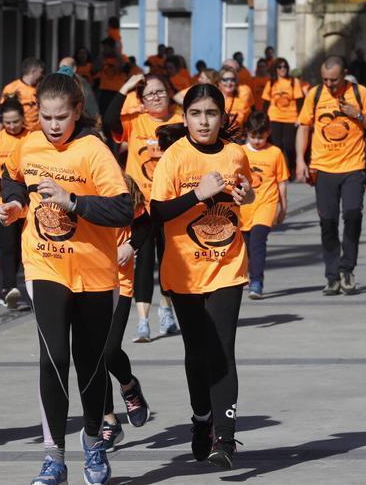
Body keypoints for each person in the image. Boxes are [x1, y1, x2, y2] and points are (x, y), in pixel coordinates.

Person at [0, 73, 133, 485]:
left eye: (62, 117)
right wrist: (14, 204)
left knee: (88, 364)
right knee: (53, 358)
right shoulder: (29, 144)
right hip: (45, 265)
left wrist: (73, 201)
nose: (53, 126)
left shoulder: (93, 150)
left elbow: (123, 209)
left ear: (77, 111)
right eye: (47, 117)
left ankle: (92, 442)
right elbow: (12, 177)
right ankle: (53, 457)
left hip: (94, 271)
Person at [150, 84, 254, 469]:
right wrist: (197, 194)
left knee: (222, 352)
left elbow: (247, 191)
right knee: (197, 353)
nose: (204, 121)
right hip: (184, 270)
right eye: (196, 113)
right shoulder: (174, 157)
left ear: (223, 116)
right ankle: (201, 419)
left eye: (211, 113)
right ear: (185, 118)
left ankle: (225, 441)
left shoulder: (235, 153)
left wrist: (245, 195)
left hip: (227, 264)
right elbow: (157, 212)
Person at [102, 73, 184, 341]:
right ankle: (143, 322)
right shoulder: (135, 121)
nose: (156, 98)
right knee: (144, 261)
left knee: (171, 260)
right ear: (142, 100)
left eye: (161, 92)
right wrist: (125, 87)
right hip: (141, 206)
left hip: (172, 203)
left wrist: (177, 96)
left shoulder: (181, 120)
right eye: (150, 94)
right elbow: (109, 120)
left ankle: (166, 308)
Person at [295, 56, 366, 295]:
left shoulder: (359, 92)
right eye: (325, 80)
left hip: (354, 166)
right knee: (328, 221)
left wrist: (357, 115)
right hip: (323, 169)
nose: (330, 85)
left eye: (334, 80)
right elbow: (304, 126)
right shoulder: (315, 94)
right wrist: (300, 160)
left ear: (344, 74)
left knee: (353, 215)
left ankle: (347, 269)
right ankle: (332, 276)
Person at [99, 175, 153, 445]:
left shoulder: (122, 184)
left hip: (119, 283)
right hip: (85, 282)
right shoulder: (81, 190)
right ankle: (109, 420)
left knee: (109, 351)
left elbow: (146, 223)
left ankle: (129, 387)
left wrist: (131, 245)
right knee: (92, 357)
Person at [0, 96, 31, 310]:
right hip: (1, 200)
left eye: (16, 121)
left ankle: (10, 285)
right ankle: (9, 288)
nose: (12, 126)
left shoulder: (32, 138)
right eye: (7, 122)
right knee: (7, 246)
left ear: (23, 119)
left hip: (26, 200)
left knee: (21, 247)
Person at [241, 112, 289, 298]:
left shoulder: (275, 153)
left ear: (268, 133)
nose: (257, 141)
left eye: (261, 137)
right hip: (244, 208)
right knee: (245, 246)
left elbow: (282, 182)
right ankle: (246, 274)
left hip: (266, 204)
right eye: (253, 136)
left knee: (258, 243)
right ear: (247, 133)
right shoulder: (240, 152)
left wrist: (283, 207)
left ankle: (256, 281)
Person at [260, 57, 304, 176]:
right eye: (280, 67)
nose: (282, 69)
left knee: (289, 146)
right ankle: (279, 171)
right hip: (274, 117)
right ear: (276, 69)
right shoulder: (271, 83)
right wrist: (263, 118)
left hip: (291, 118)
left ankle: (291, 169)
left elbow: (300, 101)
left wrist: (301, 118)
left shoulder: (293, 81)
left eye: (285, 66)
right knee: (277, 145)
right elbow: (266, 103)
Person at [2, 57, 46, 131]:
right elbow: (2, 113)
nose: (42, 75)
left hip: (39, 133)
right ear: (33, 71)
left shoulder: (43, 88)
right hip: (19, 133)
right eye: (41, 72)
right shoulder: (12, 88)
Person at [217, 63, 254, 130]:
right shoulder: (213, 99)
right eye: (225, 79)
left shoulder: (243, 99)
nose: (229, 83)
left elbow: (249, 122)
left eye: (232, 80)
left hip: (236, 138)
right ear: (219, 82)